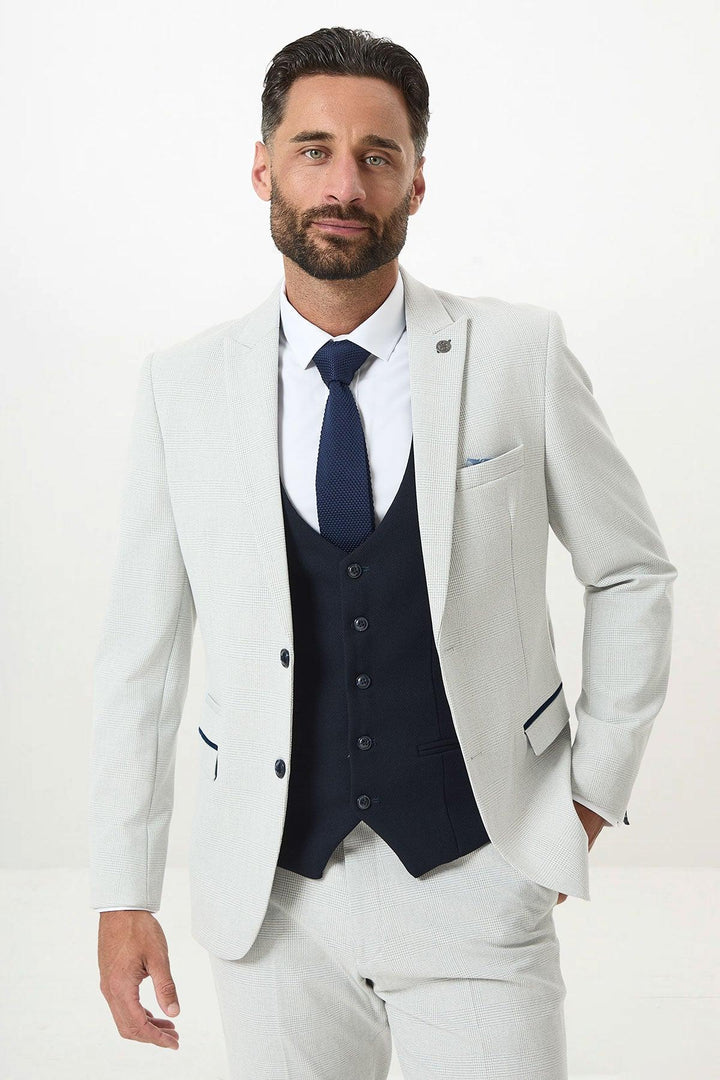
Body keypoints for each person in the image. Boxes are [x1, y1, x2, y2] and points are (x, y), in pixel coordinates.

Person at [89, 26, 677, 1079]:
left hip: (478, 879)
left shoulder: (518, 353)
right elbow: (142, 656)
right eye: (314, 149)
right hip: (271, 905)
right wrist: (122, 890)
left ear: (416, 183)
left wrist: (584, 800)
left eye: (378, 155)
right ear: (263, 167)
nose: (343, 183)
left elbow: (632, 574)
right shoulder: (183, 388)